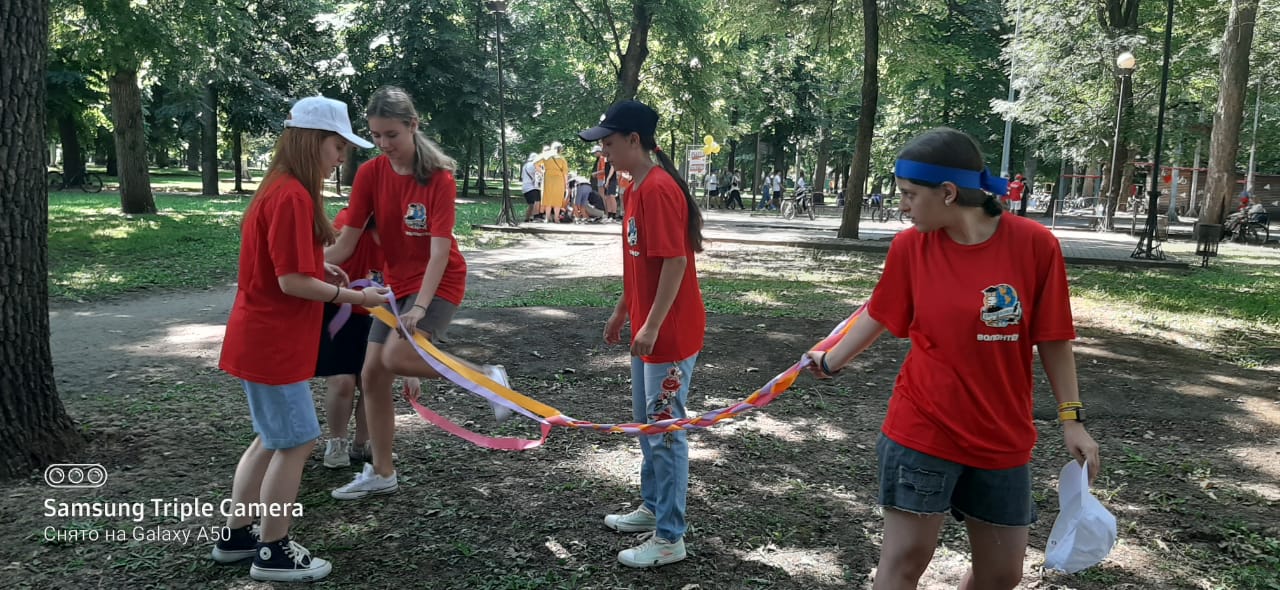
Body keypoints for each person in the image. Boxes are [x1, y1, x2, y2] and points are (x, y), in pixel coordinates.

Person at [804, 127, 1100, 590]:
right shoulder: (910, 248)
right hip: (923, 428)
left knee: (1001, 574)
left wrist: (1072, 418)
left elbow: (1055, 338)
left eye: (908, 194)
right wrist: (830, 360)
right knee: (904, 560)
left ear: (946, 193)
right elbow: (880, 313)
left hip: (1002, 435)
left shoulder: (1035, 245)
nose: (900, 205)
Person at [212, 96, 387, 582]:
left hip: (264, 336)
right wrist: (352, 295)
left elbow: (286, 267)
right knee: (298, 440)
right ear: (313, 142)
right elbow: (290, 283)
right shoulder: (291, 195)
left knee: (272, 439)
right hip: (273, 341)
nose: (340, 157)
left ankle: (238, 535)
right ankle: (274, 550)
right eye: (336, 146)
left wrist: (320, 267)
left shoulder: (282, 189)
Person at [324, 86, 511, 501]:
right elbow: (346, 243)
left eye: (391, 134)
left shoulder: (438, 177)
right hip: (396, 284)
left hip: (438, 281)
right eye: (375, 136)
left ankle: (488, 379)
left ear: (413, 125)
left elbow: (440, 251)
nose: (383, 144)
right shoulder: (371, 174)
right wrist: (309, 264)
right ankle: (382, 472)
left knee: (395, 356)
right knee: (372, 374)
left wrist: (421, 306)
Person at [579, 100, 706, 568]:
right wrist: (621, 312)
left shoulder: (658, 190)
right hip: (648, 329)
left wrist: (651, 324)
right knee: (647, 428)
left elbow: (675, 263)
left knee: (665, 433)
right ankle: (652, 509)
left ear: (635, 141)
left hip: (668, 334)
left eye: (609, 144)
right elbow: (640, 267)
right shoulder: (634, 190)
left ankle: (670, 536)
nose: (605, 152)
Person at [539, 141, 569, 223]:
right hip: (559, 181)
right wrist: (566, 184)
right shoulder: (562, 159)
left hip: (548, 180)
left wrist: (542, 172)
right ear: (560, 150)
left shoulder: (546, 158)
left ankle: (547, 218)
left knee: (548, 199)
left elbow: (536, 164)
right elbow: (565, 173)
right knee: (557, 200)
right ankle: (556, 218)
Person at [521, 152, 542, 222]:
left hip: (525, 187)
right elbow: (539, 174)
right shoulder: (534, 165)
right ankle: (534, 217)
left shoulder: (525, 166)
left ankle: (527, 218)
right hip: (532, 187)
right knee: (536, 202)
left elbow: (522, 176)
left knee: (531, 204)